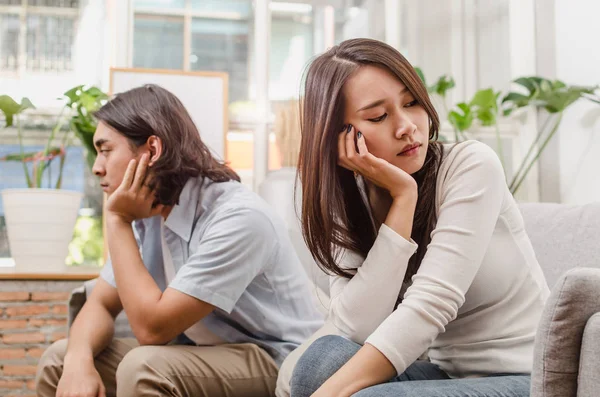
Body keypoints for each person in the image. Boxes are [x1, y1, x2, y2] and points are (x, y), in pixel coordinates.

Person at [283, 38, 550, 397]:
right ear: (338, 137)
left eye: (411, 103)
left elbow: (430, 306)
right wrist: (403, 200)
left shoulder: (471, 165)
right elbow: (356, 326)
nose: (407, 126)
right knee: (322, 362)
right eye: (378, 116)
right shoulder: (348, 199)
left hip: (529, 376)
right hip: (446, 375)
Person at [35, 84, 323, 397]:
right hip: (206, 354)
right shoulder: (146, 216)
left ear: (152, 151)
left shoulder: (237, 217)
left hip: (278, 358)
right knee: (60, 360)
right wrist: (78, 361)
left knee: (144, 366)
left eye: (105, 150)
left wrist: (117, 221)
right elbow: (101, 304)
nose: (96, 167)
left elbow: (153, 329)